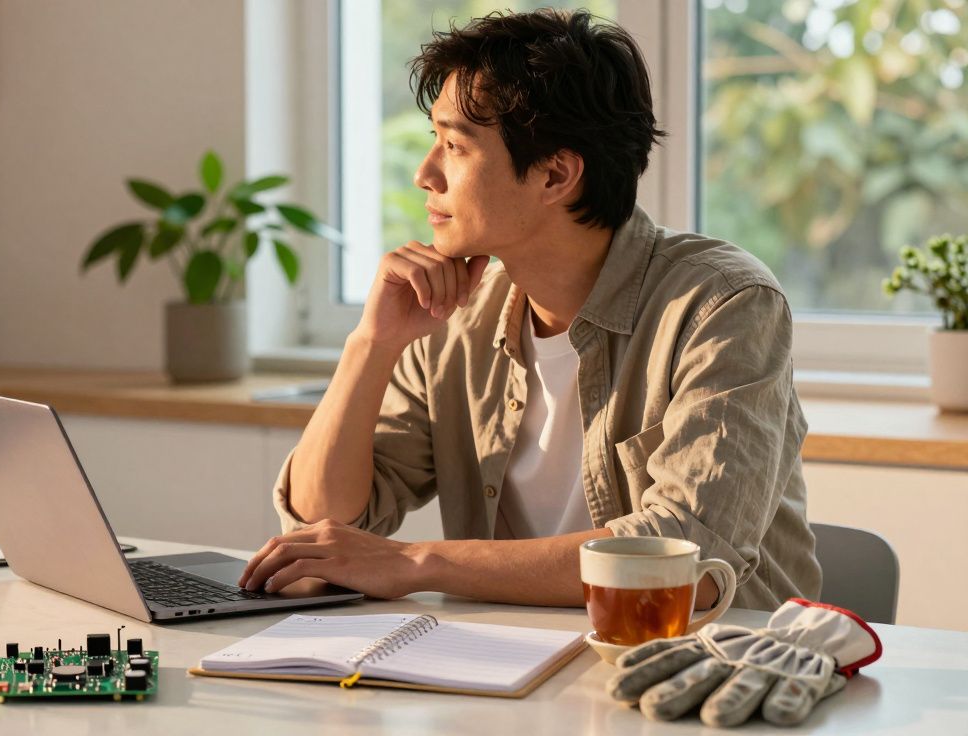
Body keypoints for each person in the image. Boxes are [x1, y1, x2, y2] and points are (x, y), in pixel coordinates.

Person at [238, 8, 821, 611]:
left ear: (555, 174)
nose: (424, 174)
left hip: (706, 671)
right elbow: (321, 531)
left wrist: (417, 562)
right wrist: (372, 344)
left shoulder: (722, 305)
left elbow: (689, 558)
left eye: (454, 146)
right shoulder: (452, 319)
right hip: (510, 668)